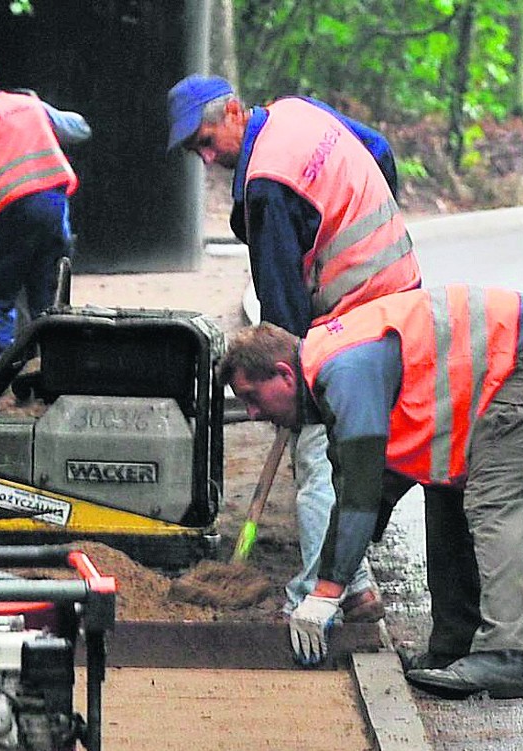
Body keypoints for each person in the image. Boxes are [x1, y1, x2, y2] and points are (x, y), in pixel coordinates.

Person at [218, 293, 523, 699]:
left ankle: (502, 656)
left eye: (251, 397)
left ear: (284, 375)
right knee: (444, 486)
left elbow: (360, 490)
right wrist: (335, 578)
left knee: (492, 499)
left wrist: (327, 592)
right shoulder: (328, 366)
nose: (253, 414)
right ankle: (451, 648)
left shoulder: (344, 371)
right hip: (496, 366)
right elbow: (364, 487)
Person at [167, 75, 422, 624]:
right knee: (360, 440)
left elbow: (282, 316)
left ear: (234, 111)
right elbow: (378, 149)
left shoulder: (265, 185)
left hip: (355, 307)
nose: (208, 158)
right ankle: (351, 579)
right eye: (197, 151)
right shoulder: (297, 113)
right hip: (399, 289)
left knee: (318, 452)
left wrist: (292, 383)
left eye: (207, 141)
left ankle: (326, 591)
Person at [0, 59, 91, 361]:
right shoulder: (29, 105)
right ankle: (50, 368)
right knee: (46, 295)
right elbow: (80, 130)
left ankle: (8, 371)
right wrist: (41, 108)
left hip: (7, 214)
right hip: (53, 208)